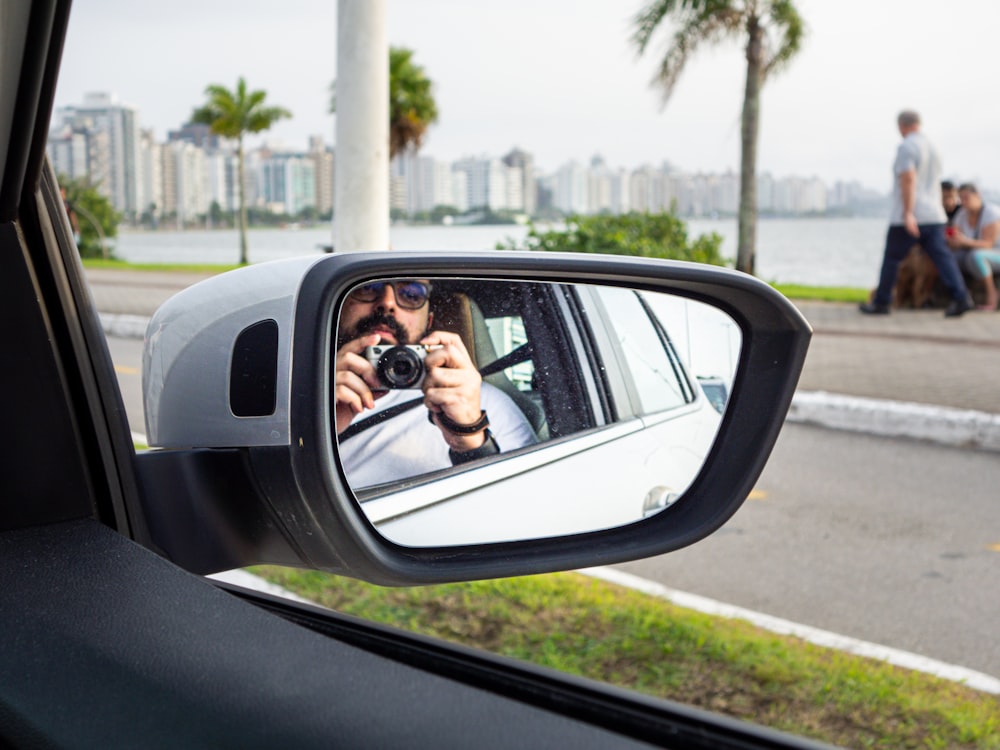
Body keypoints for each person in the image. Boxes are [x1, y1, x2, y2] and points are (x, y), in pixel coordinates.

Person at [334, 278, 537, 487]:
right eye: (367, 287)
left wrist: (470, 438)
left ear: (429, 322)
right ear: (336, 311)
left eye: (411, 294)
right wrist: (315, 421)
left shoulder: (486, 406)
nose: (387, 303)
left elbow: (517, 505)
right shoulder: (305, 388)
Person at [860, 111, 973, 317]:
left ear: (903, 126)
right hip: (934, 213)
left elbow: (908, 179)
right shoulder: (934, 146)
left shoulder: (907, 146)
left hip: (910, 215)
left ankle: (881, 302)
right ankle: (962, 297)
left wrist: (908, 213)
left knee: (892, 258)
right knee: (943, 257)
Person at [947, 183, 1000, 310]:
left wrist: (964, 241)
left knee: (975, 256)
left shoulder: (991, 213)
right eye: (961, 198)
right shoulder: (961, 214)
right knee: (951, 258)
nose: (964, 202)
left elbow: (988, 244)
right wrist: (953, 241)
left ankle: (992, 293)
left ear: (978, 196)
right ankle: (963, 295)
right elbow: (955, 237)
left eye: (967, 197)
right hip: (970, 252)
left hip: (994, 252)